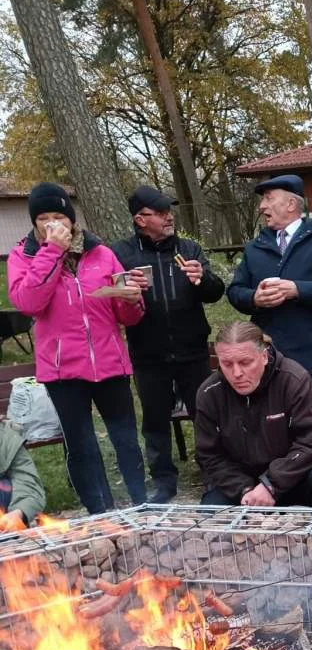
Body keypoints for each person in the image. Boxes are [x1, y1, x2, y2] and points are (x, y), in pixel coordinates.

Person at [6, 182, 146, 514]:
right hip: (62, 370)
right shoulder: (23, 256)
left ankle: (140, 504)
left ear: (71, 219)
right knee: (81, 445)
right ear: (34, 223)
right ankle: (100, 512)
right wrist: (52, 251)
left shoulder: (101, 253)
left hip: (110, 363)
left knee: (126, 439)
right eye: (43, 218)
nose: (52, 224)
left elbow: (128, 316)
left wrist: (132, 300)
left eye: (58, 217)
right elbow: (29, 303)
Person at [112, 185, 225, 502]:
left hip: (192, 350)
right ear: (140, 219)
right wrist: (125, 288)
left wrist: (202, 279)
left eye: (169, 211)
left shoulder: (189, 249)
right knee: (155, 421)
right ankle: (163, 481)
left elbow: (215, 292)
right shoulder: (121, 253)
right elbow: (111, 299)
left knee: (205, 415)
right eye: (160, 213)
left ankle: (213, 474)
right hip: (148, 353)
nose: (168, 217)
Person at [227, 174, 312, 450]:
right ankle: (278, 475)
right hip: (265, 355)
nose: (262, 206)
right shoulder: (255, 247)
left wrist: (297, 289)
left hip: (310, 354)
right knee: (268, 423)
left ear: (291, 204)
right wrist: (255, 298)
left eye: (268, 198)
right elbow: (235, 291)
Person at [193, 322, 312, 508]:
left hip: (293, 473)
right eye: (227, 364)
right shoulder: (210, 393)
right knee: (211, 514)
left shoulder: (294, 379)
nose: (237, 373)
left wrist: (271, 484)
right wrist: (244, 490)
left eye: (245, 362)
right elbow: (209, 455)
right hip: (240, 479)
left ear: (264, 356)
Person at [0, 420, 46, 530]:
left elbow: (28, 483)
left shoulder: (6, 438)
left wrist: (19, 512)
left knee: (5, 488)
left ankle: (8, 534)